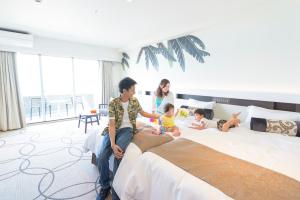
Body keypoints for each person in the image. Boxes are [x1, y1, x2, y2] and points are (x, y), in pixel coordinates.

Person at [96, 77, 160, 200]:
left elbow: (143, 113)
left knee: (118, 154)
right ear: (124, 91)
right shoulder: (113, 103)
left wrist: (158, 116)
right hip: (114, 129)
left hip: (127, 130)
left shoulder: (134, 101)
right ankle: (104, 186)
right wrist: (113, 144)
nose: (134, 92)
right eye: (132, 90)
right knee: (102, 156)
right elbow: (112, 125)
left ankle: (115, 189)